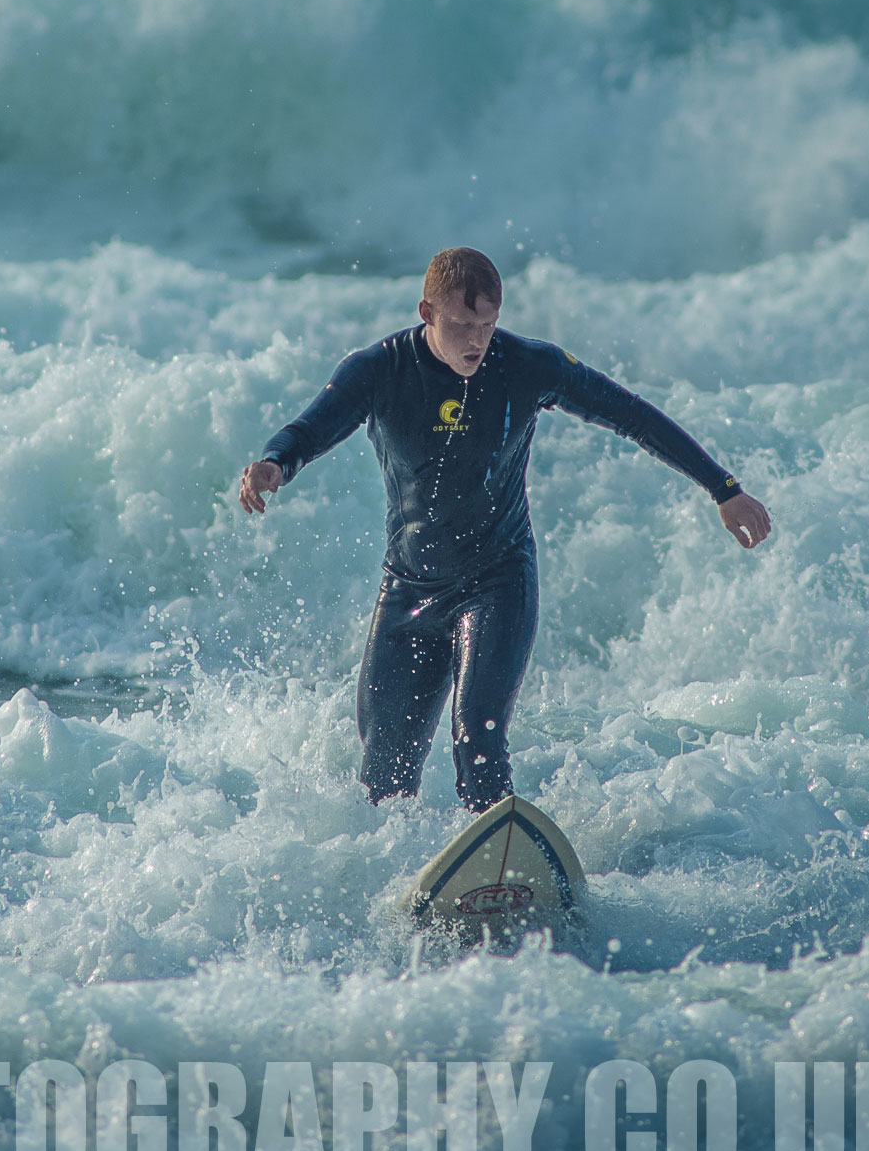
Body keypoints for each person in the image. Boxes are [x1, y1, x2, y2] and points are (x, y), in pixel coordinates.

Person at [238, 247, 772, 814]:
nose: (477, 340)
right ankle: (415, 884)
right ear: (427, 312)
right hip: (409, 591)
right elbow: (310, 429)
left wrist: (724, 488)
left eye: (488, 324)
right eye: (462, 325)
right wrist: (274, 464)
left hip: (496, 582)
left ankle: (503, 865)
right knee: (382, 774)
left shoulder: (526, 365)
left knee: (479, 744)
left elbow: (632, 414)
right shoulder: (379, 370)